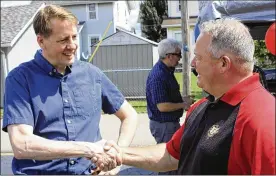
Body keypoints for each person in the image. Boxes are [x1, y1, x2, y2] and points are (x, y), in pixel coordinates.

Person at [91, 18, 275, 175]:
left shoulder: (262, 118)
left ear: (223, 64)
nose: (192, 64)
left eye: (199, 57)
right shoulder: (202, 107)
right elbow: (171, 155)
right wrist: (119, 153)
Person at [2, 5, 138, 175]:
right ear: (41, 41)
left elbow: (129, 115)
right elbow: (22, 144)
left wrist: (118, 155)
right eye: (63, 40)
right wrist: (86, 148)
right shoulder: (20, 79)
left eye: (74, 37)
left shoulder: (92, 74)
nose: (72, 45)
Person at [146, 39, 194, 174]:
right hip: (164, 125)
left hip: (168, 124)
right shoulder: (159, 75)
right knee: (169, 163)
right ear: (169, 56)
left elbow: (167, 98)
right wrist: (183, 104)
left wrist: (183, 100)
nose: (179, 59)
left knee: (173, 161)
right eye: (178, 55)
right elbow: (162, 106)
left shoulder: (166, 71)